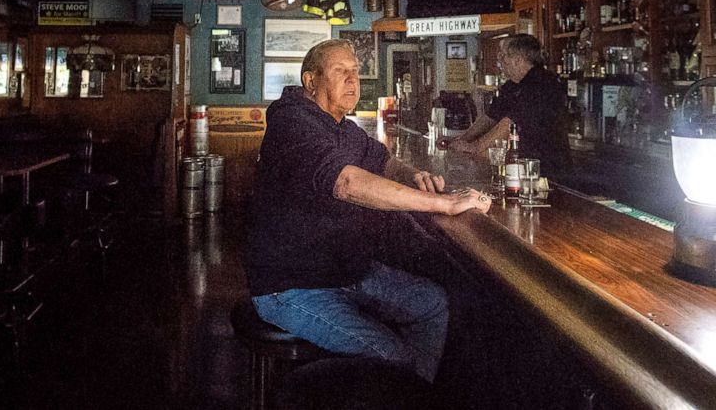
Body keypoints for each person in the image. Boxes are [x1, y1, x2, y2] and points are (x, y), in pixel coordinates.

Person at [245, 39, 492, 384]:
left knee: (432, 304)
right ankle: (403, 391)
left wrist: (416, 177)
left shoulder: (342, 128)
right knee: (394, 360)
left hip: (343, 270)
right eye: (339, 71)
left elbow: (383, 161)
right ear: (310, 81)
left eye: (355, 71)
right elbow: (345, 182)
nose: (352, 79)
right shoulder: (293, 124)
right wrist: (445, 204)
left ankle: (411, 398)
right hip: (292, 286)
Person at [447, 34, 571, 178]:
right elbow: (490, 117)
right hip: (524, 165)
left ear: (518, 60)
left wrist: (476, 147)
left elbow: (510, 122)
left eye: (504, 55)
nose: (500, 60)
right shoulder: (512, 86)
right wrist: (462, 140)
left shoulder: (541, 82)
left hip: (549, 169)